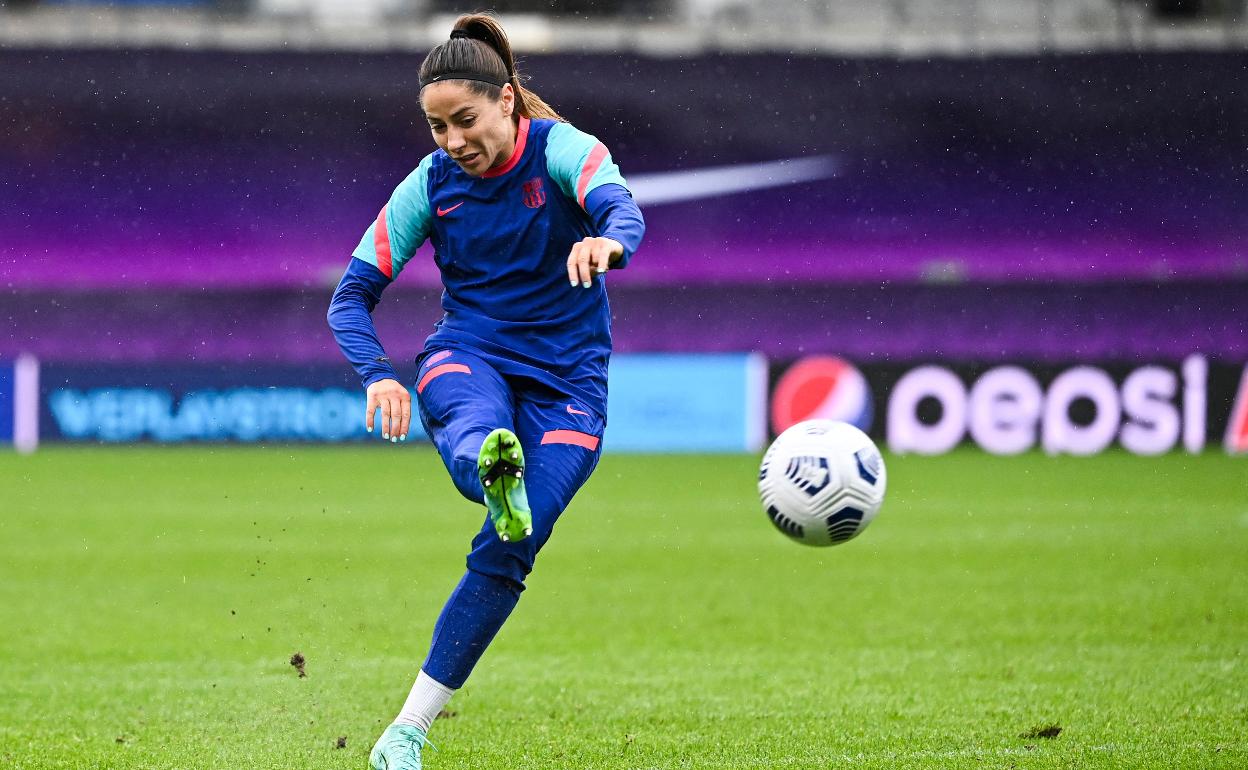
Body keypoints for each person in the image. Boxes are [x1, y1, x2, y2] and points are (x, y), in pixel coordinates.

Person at [326, 13, 645, 770]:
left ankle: (407, 730)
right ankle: (489, 465)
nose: (452, 142)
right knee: (474, 419)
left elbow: (618, 204)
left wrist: (609, 241)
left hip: (570, 385)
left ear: (506, 100)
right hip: (467, 353)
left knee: (513, 543)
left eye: (464, 120)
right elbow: (351, 296)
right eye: (437, 128)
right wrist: (378, 374)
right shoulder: (429, 186)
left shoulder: (566, 150)